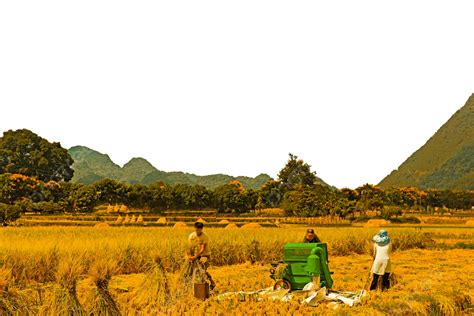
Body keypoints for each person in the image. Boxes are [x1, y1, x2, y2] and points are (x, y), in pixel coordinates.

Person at [188, 221, 216, 290]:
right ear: (194, 228)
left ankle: (203, 287)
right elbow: (189, 247)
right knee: (196, 271)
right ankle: (211, 283)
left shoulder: (205, 236)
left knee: (202, 270)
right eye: (196, 230)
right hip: (196, 256)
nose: (198, 231)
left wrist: (194, 257)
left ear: (202, 229)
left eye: (199, 230)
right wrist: (189, 256)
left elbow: (202, 249)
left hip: (205, 255)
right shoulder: (191, 236)